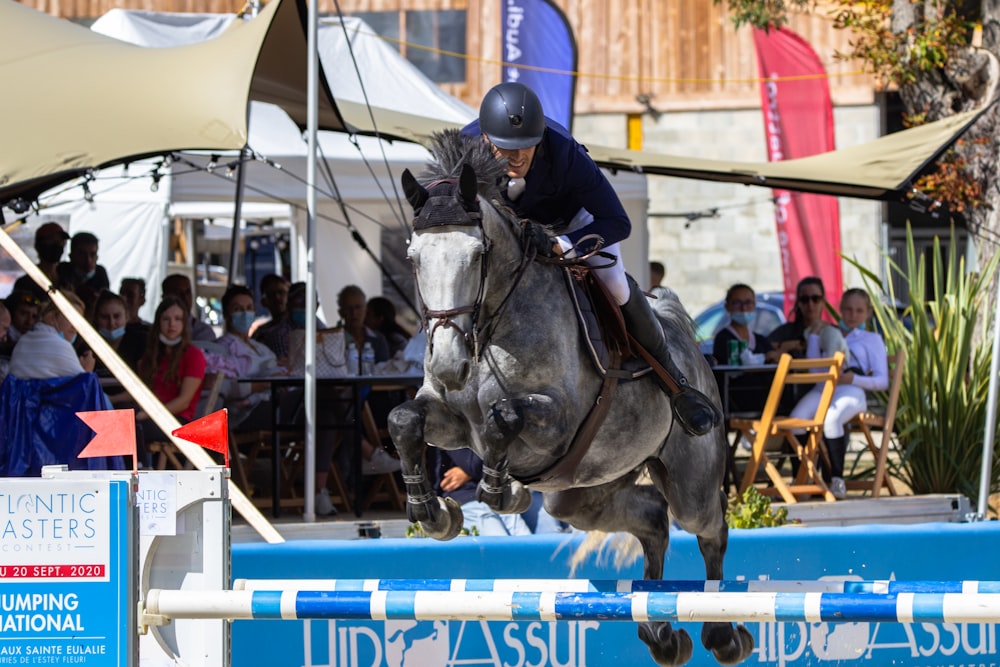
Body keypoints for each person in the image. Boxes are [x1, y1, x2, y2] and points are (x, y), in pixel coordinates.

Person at [462, 82, 717, 436]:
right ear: (487, 140)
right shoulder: (465, 150)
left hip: (570, 225)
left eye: (526, 147)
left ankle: (675, 382)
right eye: (506, 148)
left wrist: (561, 245)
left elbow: (617, 221)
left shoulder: (565, 152)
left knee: (615, 285)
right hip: (506, 235)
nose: (517, 158)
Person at [790, 288, 889, 499]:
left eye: (859, 311)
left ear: (868, 313)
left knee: (832, 419)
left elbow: (882, 381)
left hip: (852, 390)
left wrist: (852, 378)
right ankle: (805, 479)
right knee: (794, 421)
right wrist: (815, 337)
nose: (853, 315)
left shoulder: (872, 339)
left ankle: (837, 479)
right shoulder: (829, 331)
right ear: (840, 310)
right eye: (848, 310)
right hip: (823, 388)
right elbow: (815, 370)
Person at [134, 296, 207, 463]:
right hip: (151, 415)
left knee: (134, 427)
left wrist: (147, 414)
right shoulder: (152, 355)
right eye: (166, 319)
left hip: (177, 420)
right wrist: (111, 399)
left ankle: (142, 473)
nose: (172, 324)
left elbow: (184, 401)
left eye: (177, 319)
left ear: (184, 324)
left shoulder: (193, 355)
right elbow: (138, 390)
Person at [427, 447, 532, 536]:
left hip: (499, 495)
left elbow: (509, 461)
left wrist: (467, 473)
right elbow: (474, 465)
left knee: (527, 544)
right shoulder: (450, 428)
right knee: (502, 547)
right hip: (467, 500)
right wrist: (477, 471)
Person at [8, 291, 95, 379]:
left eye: (78, 321)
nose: (75, 326)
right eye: (71, 318)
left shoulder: (24, 341)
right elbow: (81, 389)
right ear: (52, 317)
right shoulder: (61, 346)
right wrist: (87, 372)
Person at [768, 277, 848, 360]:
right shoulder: (785, 332)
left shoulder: (834, 332)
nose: (810, 304)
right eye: (804, 300)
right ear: (798, 303)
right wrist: (786, 346)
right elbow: (765, 350)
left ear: (823, 302)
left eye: (815, 299)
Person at [711, 284, 780, 367]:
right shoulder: (723, 339)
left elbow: (775, 358)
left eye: (748, 303)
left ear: (754, 306)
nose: (743, 308)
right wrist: (764, 357)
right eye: (737, 303)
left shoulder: (760, 341)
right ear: (727, 307)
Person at [12, 222, 70, 302]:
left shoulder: (67, 276)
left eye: (61, 242)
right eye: (52, 241)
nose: (57, 246)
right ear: (39, 245)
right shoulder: (27, 282)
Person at [91, 290, 146, 374]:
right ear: (96, 318)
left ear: (127, 317)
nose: (111, 323)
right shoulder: (88, 346)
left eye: (117, 316)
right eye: (105, 317)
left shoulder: (142, 342)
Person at [57, 231, 110, 315]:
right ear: (71, 256)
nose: (88, 260)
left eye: (92, 254)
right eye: (82, 254)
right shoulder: (61, 270)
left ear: (97, 257)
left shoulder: (101, 273)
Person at [160, 273, 216, 342]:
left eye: (187, 292)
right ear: (165, 297)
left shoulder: (204, 332)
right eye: (178, 293)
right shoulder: (155, 331)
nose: (184, 297)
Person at [250, 274, 290, 339]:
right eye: (271, 294)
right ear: (263, 301)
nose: (277, 297)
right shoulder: (261, 334)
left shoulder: (298, 327)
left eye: (281, 292)